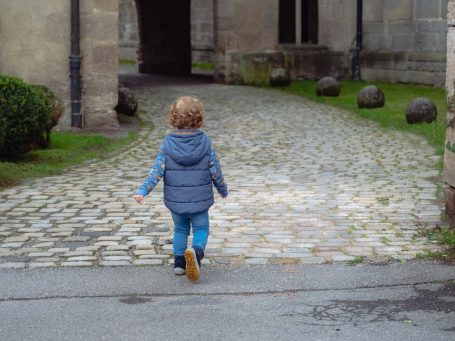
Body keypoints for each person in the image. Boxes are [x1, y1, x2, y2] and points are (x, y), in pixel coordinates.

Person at [133, 96, 228, 282]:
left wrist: (142, 191)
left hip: (176, 200)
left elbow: (156, 172)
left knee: (180, 229)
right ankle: (196, 251)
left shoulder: (167, 145)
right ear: (199, 120)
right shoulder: (206, 144)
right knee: (201, 228)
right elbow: (215, 170)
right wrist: (222, 189)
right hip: (200, 200)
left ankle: (178, 264)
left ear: (173, 118)